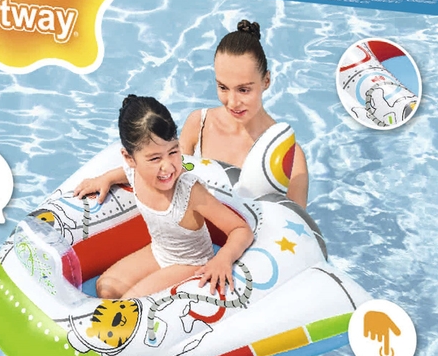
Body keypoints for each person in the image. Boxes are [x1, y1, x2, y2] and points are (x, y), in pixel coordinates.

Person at [74, 95, 253, 299]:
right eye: (155, 158)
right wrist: (105, 179)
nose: (167, 166)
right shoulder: (135, 173)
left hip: (190, 263)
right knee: (105, 288)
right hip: (160, 251)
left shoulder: (189, 191)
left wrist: (223, 259)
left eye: (173, 152)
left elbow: (241, 229)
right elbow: (124, 173)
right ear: (130, 158)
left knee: (129, 304)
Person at [180, 19, 309, 208]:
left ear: (266, 81)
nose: (232, 102)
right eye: (223, 87)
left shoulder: (289, 156)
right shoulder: (199, 124)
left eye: (243, 90)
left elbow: (295, 222)